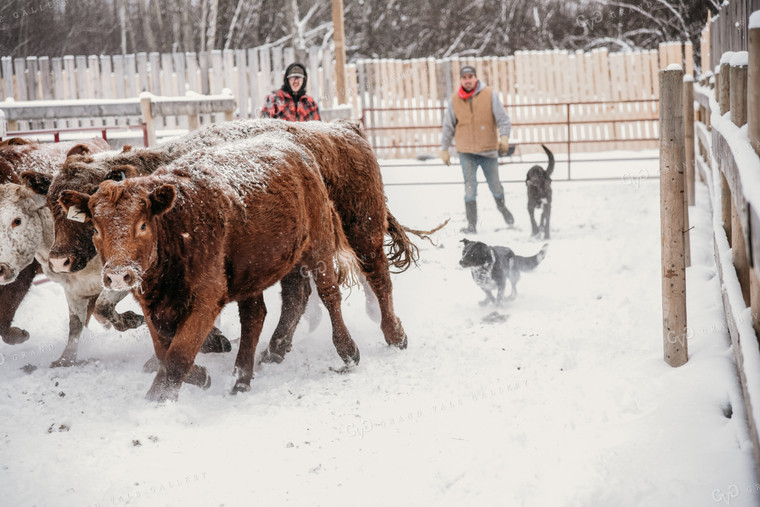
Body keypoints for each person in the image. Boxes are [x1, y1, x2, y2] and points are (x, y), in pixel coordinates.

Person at [440, 65, 513, 234]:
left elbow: (503, 119)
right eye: (464, 77)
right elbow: (448, 127)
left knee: (495, 186)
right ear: (460, 80)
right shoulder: (455, 100)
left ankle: (502, 208)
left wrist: (504, 137)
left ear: (475, 78)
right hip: (466, 153)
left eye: (470, 77)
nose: (467, 80)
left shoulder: (489, 95)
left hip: (488, 151)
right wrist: (444, 148)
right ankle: (472, 226)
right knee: (469, 188)